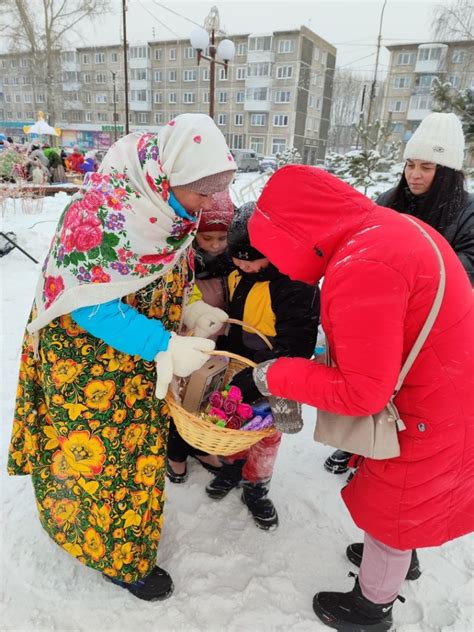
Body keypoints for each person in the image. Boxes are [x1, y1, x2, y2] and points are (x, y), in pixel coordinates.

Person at [7, 113, 237, 602]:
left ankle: (123, 536)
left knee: (135, 456)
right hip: (88, 363)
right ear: (168, 175)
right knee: (104, 463)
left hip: (137, 358)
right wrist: (164, 344)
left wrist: (190, 307)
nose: (209, 205)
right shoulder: (98, 213)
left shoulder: (170, 211)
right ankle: (115, 555)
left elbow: (159, 275)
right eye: (203, 192)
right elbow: (91, 305)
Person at [245, 164, 473, 630]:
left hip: (427, 407)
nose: (283, 265)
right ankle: (396, 560)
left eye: (279, 251)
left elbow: (362, 393)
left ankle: (372, 606)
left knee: (396, 503)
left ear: (299, 234)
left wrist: (280, 374)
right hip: (448, 385)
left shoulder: (363, 265)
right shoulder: (386, 229)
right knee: (402, 498)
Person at [324, 112, 474, 479]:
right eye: (410, 164)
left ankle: (385, 455)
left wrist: (405, 273)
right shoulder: (388, 200)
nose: (414, 175)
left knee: (407, 395)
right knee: (367, 380)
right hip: (379, 315)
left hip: (429, 323)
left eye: (426, 166)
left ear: (448, 171)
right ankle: (356, 442)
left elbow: (466, 266)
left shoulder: (466, 212)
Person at [205, 202, 320, 530]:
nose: (241, 264)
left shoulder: (297, 285)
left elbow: (297, 348)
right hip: (239, 358)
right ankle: (232, 466)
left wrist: (256, 379)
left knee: (268, 432)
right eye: (236, 256)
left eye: (250, 258)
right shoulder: (238, 263)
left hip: (281, 372)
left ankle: (256, 484)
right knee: (234, 420)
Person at [166, 191, 235, 483]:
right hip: (188, 338)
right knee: (182, 399)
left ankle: (199, 446)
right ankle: (175, 452)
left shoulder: (233, 260)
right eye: (209, 238)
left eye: (223, 238)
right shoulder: (184, 259)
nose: (217, 246)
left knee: (207, 396)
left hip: (218, 340)